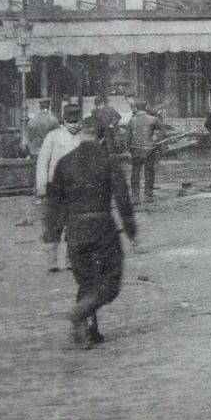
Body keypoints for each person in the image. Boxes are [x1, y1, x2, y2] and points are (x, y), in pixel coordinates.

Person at [43, 115, 136, 349]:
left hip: (75, 230)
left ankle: (88, 331)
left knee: (86, 281)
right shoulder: (108, 161)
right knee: (110, 284)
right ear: (103, 137)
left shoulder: (64, 163)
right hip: (102, 227)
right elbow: (123, 199)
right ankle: (78, 314)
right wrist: (131, 230)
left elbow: (54, 203)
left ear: (81, 134)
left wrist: (52, 236)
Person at [34, 103, 86, 270]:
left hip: (78, 189)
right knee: (54, 224)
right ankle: (52, 261)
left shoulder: (84, 137)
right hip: (56, 188)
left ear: (81, 121)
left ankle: (72, 259)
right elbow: (42, 162)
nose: (73, 126)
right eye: (70, 122)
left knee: (75, 225)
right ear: (64, 121)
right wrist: (41, 187)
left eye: (76, 122)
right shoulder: (53, 136)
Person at [125, 98, 172, 203]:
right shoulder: (152, 119)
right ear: (145, 107)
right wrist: (156, 137)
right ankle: (148, 195)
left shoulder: (131, 120)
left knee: (135, 172)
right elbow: (163, 129)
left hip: (135, 149)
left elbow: (127, 137)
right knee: (149, 171)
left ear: (136, 108)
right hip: (149, 149)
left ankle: (135, 196)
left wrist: (128, 150)